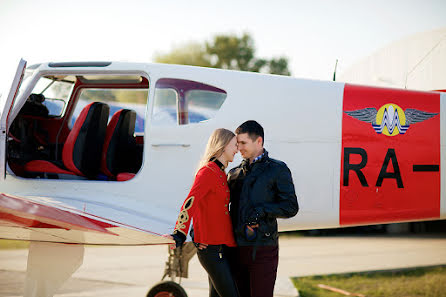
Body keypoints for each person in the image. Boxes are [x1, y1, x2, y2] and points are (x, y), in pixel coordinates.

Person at [165, 128, 240, 297]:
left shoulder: (221, 173)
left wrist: (196, 232)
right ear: (223, 145)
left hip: (221, 246)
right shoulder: (208, 171)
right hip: (211, 251)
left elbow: (208, 209)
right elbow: (190, 202)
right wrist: (180, 234)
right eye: (234, 145)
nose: (237, 149)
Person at [227, 120, 299, 297]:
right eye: (237, 143)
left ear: (259, 141)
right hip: (236, 249)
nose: (239, 148)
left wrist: (262, 210)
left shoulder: (278, 169)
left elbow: (291, 207)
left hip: (263, 248)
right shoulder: (234, 173)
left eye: (243, 143)